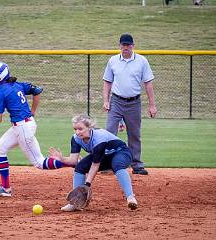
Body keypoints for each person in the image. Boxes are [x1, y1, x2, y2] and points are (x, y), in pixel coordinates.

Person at [0, 61, 71, 197]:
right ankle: (5, 188)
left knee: (39, 162)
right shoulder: (17, 84)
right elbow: (37, 90)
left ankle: (73, 163)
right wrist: (33, 111)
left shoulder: (1, 93)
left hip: (23, 128)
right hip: (24, 125)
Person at [48, 114, 138, 212]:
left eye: (80, 129)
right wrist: (62, 159)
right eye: (75, 129)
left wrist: (87, 184)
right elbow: (73, 160)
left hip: (121, 152)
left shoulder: (99, 137)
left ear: (89, 127)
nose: (77, 132)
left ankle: (130, 198)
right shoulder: (76, 139)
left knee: (118, 165)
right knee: (80, 167)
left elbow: (95, 165)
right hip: (105, 156)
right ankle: (74, 203)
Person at [103, 33, 157, 176]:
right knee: (109, 132)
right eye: (123, 45)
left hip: (134, 103)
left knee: (134, 134)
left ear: (133, 46)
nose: (125, 47)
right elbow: (107, 81)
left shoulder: (142, 61)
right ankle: (107, 164)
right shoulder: (113, 60)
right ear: (119, 46)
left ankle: (137, 165)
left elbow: (148, 83)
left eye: (128, 45)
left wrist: (152, 105)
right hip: (116, 101)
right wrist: (106, 100)